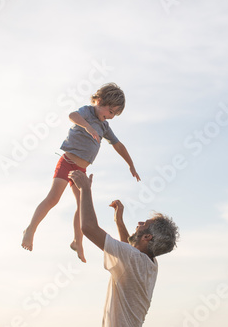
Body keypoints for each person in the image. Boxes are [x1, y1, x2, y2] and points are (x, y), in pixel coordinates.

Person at [21, 83, 141, 263]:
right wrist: (87, 127)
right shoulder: (88, 112)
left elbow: (118, 145)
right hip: (67, 163)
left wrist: (130, 164)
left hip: (81, 170)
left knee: (82, 206)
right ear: (99, 101)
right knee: (53, 198)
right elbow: (72, 115)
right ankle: (30, 229)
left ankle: (78, 241)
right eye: (110, 111)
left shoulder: (105, 127)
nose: (110, 116)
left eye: (114, 115)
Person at [68, 170, 179, 326]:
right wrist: (119, 222)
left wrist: (85, 189)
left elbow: (88, 227)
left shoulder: (133, 258)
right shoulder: (151, 264)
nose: (139, 224)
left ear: (147, 237)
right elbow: (128, 251)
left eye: (144, 225)